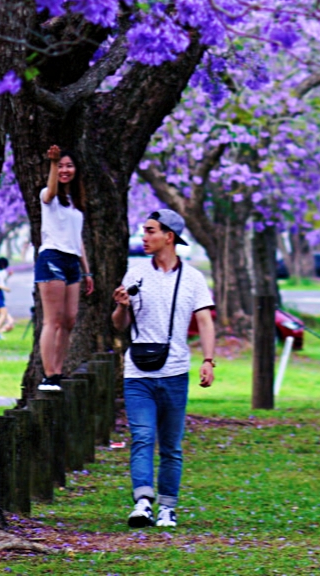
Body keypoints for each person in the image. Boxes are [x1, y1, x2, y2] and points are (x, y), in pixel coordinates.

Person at [112, 209, 216, 530]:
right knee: (142, 437)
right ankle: (143, 502)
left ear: (168, 237)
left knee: (171, 446)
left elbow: (205, 321)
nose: (144, 237)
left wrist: (208, 360)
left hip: (174, 372)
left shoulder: (194, 279)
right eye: (143, 231)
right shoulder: (135, 273)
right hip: (138, 373)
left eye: (150, 231)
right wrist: (120, 306)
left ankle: (167, 507)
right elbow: (118, 326)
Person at [35, 144, 94, 392]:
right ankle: (49, 374)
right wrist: (53, 162)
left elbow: (77, 239)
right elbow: (50, 192)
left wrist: (87, 271)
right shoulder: (48, 196)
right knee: (53, 320)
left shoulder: (74, 203)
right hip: (52, 259)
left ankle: (59, 371)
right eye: (61, 166)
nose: (65, 170)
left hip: (72, 262)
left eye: (69, 165)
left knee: (69, 320)